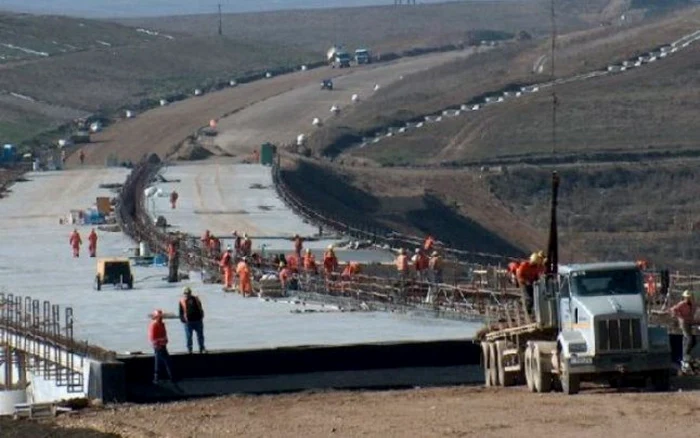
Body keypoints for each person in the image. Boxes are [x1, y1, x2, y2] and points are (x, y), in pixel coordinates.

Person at [671, 290, 697, 372]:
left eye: (689, 297)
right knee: (689, 338)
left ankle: (685, 356)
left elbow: (695, 310)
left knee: (687, 339)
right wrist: (679, 316)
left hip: (689, 323)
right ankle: (685, 355)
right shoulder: (682, 304)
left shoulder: (693, 305)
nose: (688, 299)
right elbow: (673, 309)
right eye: (686, 297)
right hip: (684, 323)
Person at [148, 309, 175, 384]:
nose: (160, 318)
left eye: (161, 317)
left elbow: (164, 334)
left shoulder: (162, 324)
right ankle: (170, 377)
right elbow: (152, 337)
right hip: (158, 346)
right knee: (166, 361)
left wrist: (165, 340)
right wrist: (157, 345)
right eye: (159, 317)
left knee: (159, 362)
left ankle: (157, 378)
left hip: (163, 345)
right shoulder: (154, 325)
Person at [179, 287, 206, 354]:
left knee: (200, 336)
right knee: (188, 337)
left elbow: (200, 307)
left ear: (190, 293)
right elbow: (181, 313)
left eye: (188, 293)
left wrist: (201, 316)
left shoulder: (196, 299)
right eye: (185, 293)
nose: (187, 294)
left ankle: (202, 348)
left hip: (198, 321)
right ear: (183, 293)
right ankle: (189, 350)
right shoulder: (181, 301)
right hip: (188, 323)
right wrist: (183, 320)